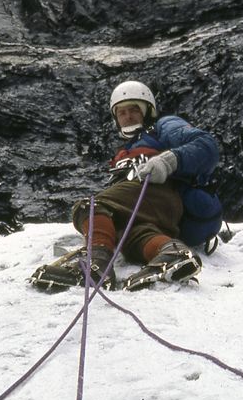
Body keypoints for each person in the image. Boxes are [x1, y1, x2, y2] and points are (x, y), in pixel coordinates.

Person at [31, 80, 220, 291]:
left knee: (90, 207)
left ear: (147, 111)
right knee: (131, 237)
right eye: (121, 112)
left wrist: (168, 161)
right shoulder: (123, 153)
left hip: (159, 192)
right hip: (156, 210)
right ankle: (172, 253)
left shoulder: (163, 127)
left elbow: (207, 145)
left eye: (134, 110)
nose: (128, 116)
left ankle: (95, 266)